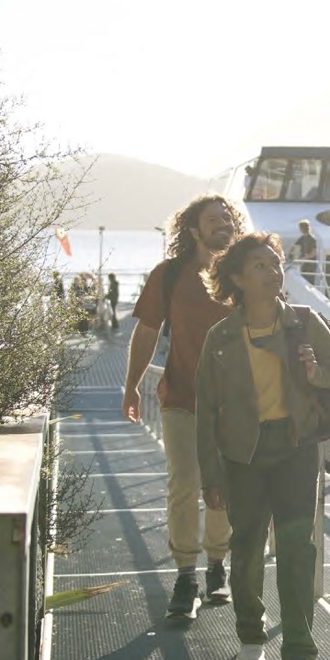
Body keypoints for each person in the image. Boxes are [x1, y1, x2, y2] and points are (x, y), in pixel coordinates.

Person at [196, 232, 330, 660]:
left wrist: (312, 372)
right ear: (238, 279)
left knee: (298, 549)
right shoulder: (220, 336)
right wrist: (210, 475)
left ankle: (300, 653)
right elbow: (204, 411)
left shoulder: (303, 322)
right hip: (242, 455)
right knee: (245, 549)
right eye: (259, 266)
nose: (271, 272)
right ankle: (250, 635)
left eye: (275, 263)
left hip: (296, 448)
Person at [123, 195, 243, 619]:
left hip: (232, 406)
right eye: (213, 221)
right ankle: (186, 575)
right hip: (179, 397)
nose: (222, 225)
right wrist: (131, 386)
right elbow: (147, 332)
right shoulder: (170, 274)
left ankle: (216, 566)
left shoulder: (242, 274)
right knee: (184, 482)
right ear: (194, 230)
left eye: (227, 219)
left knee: (222, 485)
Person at [288, 219, 318, 284]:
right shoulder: (302, 238)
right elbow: (295, 245)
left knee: (309, 281)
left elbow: (313, 253)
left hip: (311, 264)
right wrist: (290, 253)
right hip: (304, 263)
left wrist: (303, 258)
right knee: (303, 279)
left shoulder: (312, 239)